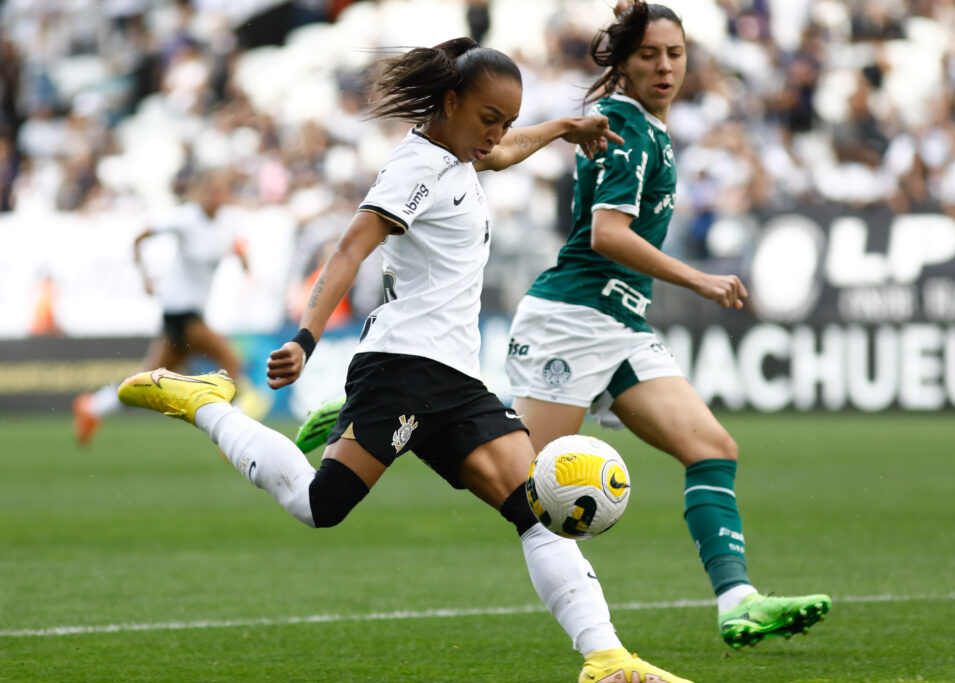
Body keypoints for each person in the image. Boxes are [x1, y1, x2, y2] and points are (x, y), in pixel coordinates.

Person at [117, 37, 694, 683]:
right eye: (487, 118)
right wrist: (306, 337)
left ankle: (608, 659)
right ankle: (207, 405)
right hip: (402, 369)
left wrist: (564, 126)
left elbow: (502, 153)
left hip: (456, 378)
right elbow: (348, 249)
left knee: (533, 508)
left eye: (506, 120)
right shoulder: (415, 167)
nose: (496, 135)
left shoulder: (462, 155)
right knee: (320, 503)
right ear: (449, 102)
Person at [504, 1, 830, 649]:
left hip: (619, 323)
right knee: (511, 477)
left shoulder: (650, 128)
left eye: (674, 54)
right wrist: (700, 278)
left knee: (713, 447)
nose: (664, 66)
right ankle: (396, 413)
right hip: (571, 319)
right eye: (649, 53)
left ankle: (737, 601)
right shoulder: (623, 126)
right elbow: (606, 234)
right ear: (623, 62)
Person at [72, 169, 256, 446]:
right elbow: (141, 236)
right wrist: (145, 277)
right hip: (180, 311)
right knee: (231, 362)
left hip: (191, 312)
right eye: (214, 190)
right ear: (202, 191)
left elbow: (235, 248)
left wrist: (244, 264)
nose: (220, 196)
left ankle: (92, 407)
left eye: (224, 191)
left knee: (149, 379)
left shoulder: (224, 226)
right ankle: (238, 436)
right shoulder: (185, 218)